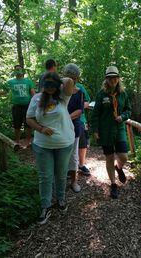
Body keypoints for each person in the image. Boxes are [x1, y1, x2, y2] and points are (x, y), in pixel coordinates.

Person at [26, 72, 75, 225]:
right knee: (45, 176)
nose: (50, 88)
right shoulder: (36, 98)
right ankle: (45, 206)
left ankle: (60, 199)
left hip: (64, 143)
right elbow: (29, 118)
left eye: (53, 85)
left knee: (61, 174)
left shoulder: (63, 97)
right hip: (42, 144)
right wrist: (41, 129)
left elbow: (69, 82)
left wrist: (55, 80)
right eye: (46, 85)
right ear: (42, 85)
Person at [91, 66, 132, 199]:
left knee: (124, 156)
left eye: (115, 77)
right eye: (110, 78)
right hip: (106, 131)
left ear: (118, 79)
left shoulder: (123, 94)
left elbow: (128, 110)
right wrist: (95, 130)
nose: (112, 80)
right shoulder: (101, 94)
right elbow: (96, 114)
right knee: (109, 157)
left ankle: (119, 167)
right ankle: (113, 185)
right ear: (106, 79)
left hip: (119, 129)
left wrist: (123, 116)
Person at [63, 64, 85, 192]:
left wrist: (66, 117)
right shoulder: (58, 91)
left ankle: (74, 182)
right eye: (71, 78)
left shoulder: (79, 92)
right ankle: (61, 178)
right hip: (59, 128)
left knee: (73, 156)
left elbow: (80, 110)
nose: (73, 81)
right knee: (61, 154)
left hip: (73, 127)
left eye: (75, 78)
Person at [7, 65, 35, 147]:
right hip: (16, 106)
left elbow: (33, 93)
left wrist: (36, 103)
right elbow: (3, 92)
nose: (18, 71)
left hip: (27, 106)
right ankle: (17, 142)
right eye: (16, 70)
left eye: (19, 69)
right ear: (14, 71)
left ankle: (28, 141)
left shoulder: (28, 81)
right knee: (17, 125)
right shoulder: (11, 82)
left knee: (28, 124)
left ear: (22, 71)